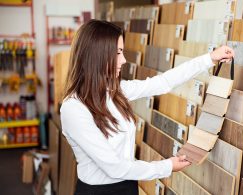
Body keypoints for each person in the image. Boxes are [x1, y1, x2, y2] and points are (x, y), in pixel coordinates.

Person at [60, 19, 234, 195]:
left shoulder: (115, 90)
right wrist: (167, 166)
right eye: (118, 52)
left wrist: (210, 58)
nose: (124, 59)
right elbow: (114, 167)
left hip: (128, 186)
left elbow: (163, 82)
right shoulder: (74, 109)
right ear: (97, 55)